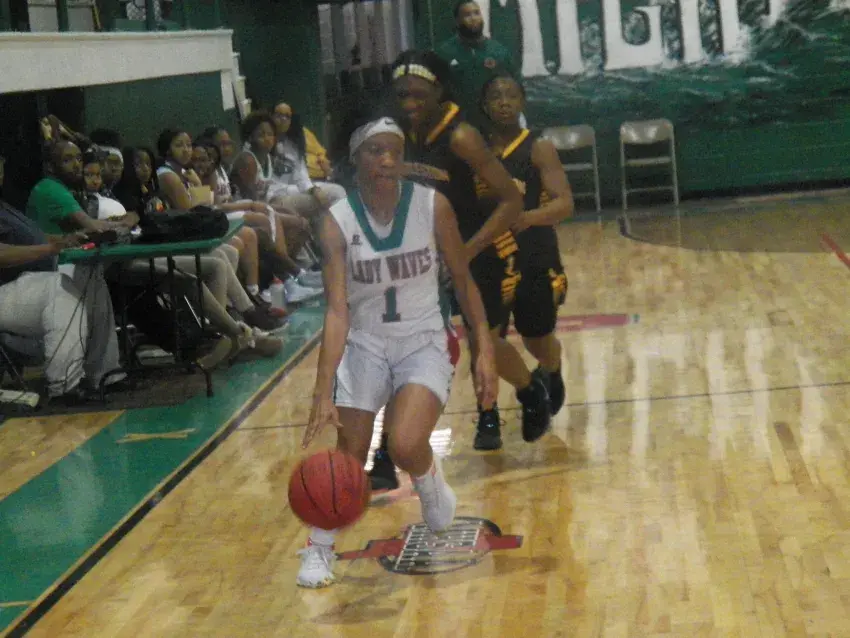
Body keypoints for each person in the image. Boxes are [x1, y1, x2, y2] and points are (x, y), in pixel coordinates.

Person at [297, 117, 497, 588]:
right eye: (375, 151)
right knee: (349, 453)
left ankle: (429, 482)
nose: (387, 160)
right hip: (365, 341)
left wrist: (484, 347)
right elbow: (337, 311)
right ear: (356, 160)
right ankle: (319, 548)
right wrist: (322, 392)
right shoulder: (337, 222)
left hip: (422, 338)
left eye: (395, 151)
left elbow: (463, 280)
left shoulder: (432, 206)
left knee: (405, 444)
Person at [368, 50, 550, 490]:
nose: (409, 101)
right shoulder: (401, 134)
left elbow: (511, 201)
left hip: (480, 247)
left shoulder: (462, 137)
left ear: (439, 91)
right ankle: (385, 456)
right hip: (426, 254)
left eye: (417, 93)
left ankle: (527, 389)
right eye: (401, 94)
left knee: (482, 341)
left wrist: (465, 252)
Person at [482, 74, 572, 421]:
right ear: (485, 105)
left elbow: (564, 203)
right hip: (492, 257)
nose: (504, 102)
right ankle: (524, 393)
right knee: (485, 338)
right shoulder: (475, 150)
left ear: (522, 102)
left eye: (511, 96)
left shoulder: (538, 147)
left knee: (537, 339)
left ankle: (551, 366)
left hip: (535, 253)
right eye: (496, 96)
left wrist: (528, 217)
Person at [434, 0, 519, 129]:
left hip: (494, 126)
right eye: (467, 15)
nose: (473, 18)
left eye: (476, 13)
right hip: (458, 127)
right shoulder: (444, 53)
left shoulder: (498, 51)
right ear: (457, 21)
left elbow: (515, 84)